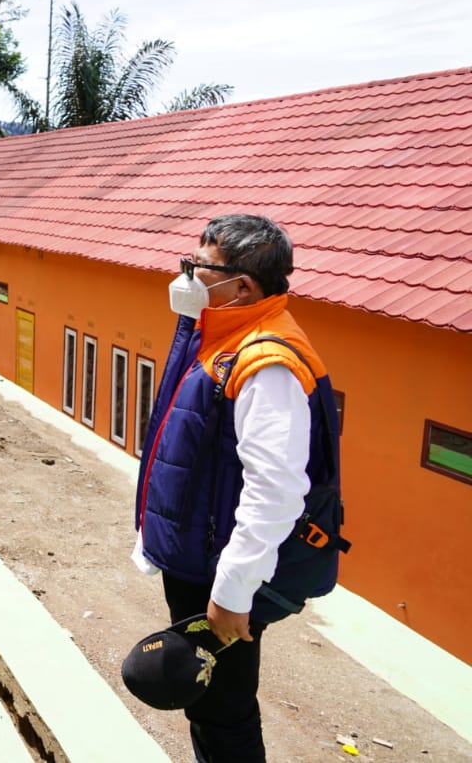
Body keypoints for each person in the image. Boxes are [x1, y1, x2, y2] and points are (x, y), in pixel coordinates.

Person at [132, 214, 338, 762]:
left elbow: (275, 491)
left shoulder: (267, 363)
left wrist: (230, 594)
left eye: (198, 266)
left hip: (218, 570)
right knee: (208, 702)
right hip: (198, 557)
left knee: (222, 709)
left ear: (242, 285)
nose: (189, 276)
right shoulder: (225, 337)